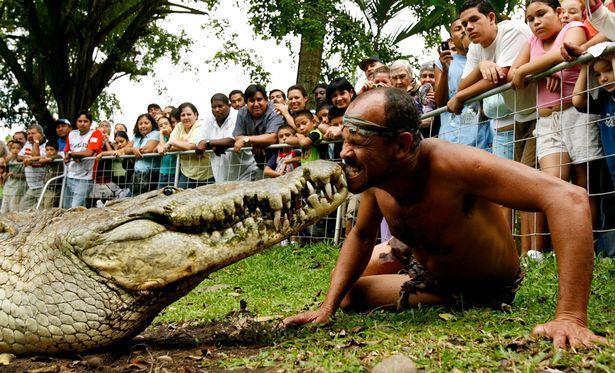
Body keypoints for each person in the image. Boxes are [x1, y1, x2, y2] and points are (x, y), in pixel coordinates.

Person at [283, 87, 606, 350]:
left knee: (354, 295)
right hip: (423, 260)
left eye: (358, 143)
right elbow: (362, 236)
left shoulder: (454, 164)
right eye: (345, 140)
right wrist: (326, 307)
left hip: (480, 288)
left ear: (402, 145)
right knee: (342, 291)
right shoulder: (377, 177)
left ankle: (437, 290)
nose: (344, 153)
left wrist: (570, 316)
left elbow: (569, 197)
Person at [510, 0, 603, 258]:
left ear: (558, 13)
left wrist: (534, 70)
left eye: (542, 14)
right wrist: (542, 72)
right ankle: (540, 253)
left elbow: (559, 55)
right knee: (550, 183)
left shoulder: (573, 27)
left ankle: (587, 249)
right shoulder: (530, 42)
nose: (536, 22)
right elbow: (512, 75)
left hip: (576, 114)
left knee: (583, 183)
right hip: (547, 120)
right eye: (530, 18)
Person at [452, 0, 539, 256]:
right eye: (465, 23)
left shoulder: (511, 30)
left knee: (528, 184)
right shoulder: (477, 49)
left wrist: (460, 97)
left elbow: (504, 75)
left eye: (474, 20)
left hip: (540, 112)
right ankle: (511, 253)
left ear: (491, 18)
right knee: (510, 186)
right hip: (517, 118)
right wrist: (481, 67)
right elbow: (461, 88)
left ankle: (531, 254)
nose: (469, 27)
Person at [435, 18, 492, 151]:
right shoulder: (443, 62)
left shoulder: (485, 56)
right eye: (458, 28)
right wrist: (445, 70)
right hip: (451, 136)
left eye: (465, 26)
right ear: (451, 38)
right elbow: (440, 102)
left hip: (482, 134)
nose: (463, 30)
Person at [196, 93, 260, 182]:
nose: (217, 110)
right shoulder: (208, 119)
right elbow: (199, 141)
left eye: (220, 106)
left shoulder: (237, 115)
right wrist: (215, 144)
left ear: (229, 106)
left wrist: (208, 143)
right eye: (214, 107)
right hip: (220, 174)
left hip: (245, 171)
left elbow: (233, 139)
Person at [233, 84, 285, 170]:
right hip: (259, 163)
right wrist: (256, 142)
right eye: (252, 100)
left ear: (266, 100)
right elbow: (237, 136)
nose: (256, 104)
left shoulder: (274, 110)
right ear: (246, 103)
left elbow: (272, 137)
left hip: (281, 161)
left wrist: (247, 140)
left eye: (259, 99)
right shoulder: (242, 112)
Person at [162, 102, 212, 189]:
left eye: (189, 114)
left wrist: (173, 142)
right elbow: (169, 148)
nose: (186, 117)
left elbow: (192, 146)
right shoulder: (179, 126)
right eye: (183, 115)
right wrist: (181, 145)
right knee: (180, 199)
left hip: (206, 174)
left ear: (195, 115)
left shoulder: (201, 125)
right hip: (186, 173)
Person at [63, 111, 104, 208]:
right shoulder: (72, 134)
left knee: (75, 208)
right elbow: (66, 151)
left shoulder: (96, 133)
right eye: (80, 121)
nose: (82, 123)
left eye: (85, 121)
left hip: (86, 178)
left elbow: (89, 152)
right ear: (76, 122)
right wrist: (70, 155)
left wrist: (73, 155)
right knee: (66, 207)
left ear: (90, 123)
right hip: (70, 175)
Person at [124, 114, 160, 195]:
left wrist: (134, 150)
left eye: (146, 123)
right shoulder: (136, 137)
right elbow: (125, 149)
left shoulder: (156, 133)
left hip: (150, 174)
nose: (143, 126)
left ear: (152, 124)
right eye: (140, 124)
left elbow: (147, 149)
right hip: (137, 174)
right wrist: (133, 149)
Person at [18, 124, 47, 210]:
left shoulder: (47, 145)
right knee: (22, 208)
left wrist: (36, 141)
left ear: (41, 135)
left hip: (43, 186)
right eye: (28, 133)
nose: (30, 136)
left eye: (33, 133)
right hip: (32, 187)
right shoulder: (27, 144)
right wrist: (26, 158)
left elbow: (35, 155)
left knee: (42, 211)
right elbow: (19, 157)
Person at [0, 140, 26, 213]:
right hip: (7, 188)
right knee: (4, 210)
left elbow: (25, 175)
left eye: (18, 148)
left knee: (14, 211)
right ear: (10, 149)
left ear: (22, 150)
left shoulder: (23, 161)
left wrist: (14, 175)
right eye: (13, 148)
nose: (15, 150)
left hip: (17, 189)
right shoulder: (8, 161)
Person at [38, 140, 63, 208]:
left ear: (57, 151)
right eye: (47, 150)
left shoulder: (58, 157)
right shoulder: (47, 158)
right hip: (46, 187)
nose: (49, 152)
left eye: (51, 150)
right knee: (42, 205)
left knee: (48, 206)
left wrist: (44, 159)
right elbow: (41, 160)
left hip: (54, 189)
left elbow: (45, 160)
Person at [156, 117, 177, 188]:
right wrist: (161, 135)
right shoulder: (163, 138)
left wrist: (162, 134)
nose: (163, 126)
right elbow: (161, 147)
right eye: (160, 125)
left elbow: (165, 148)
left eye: (166, 124)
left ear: (171, 125)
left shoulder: (175, 136)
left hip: (174, 172)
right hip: (163, 172)